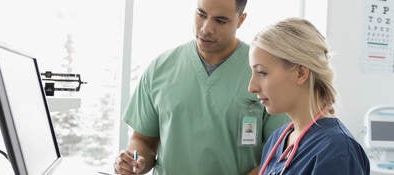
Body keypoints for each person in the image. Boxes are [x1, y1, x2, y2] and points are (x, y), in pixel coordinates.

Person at [113, 0, 289, 174]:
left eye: (220, 20)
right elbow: (143, 140)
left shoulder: (263, 72)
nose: (206, 28)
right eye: (201, 14)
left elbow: (280, 154)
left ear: (241, 20)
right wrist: (134, 162)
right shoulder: (160, 69)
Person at [248, 18, 370, 175]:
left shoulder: (338, 151)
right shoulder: (276, 140)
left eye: (262, 73)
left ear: (300, 73)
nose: (251, 87)